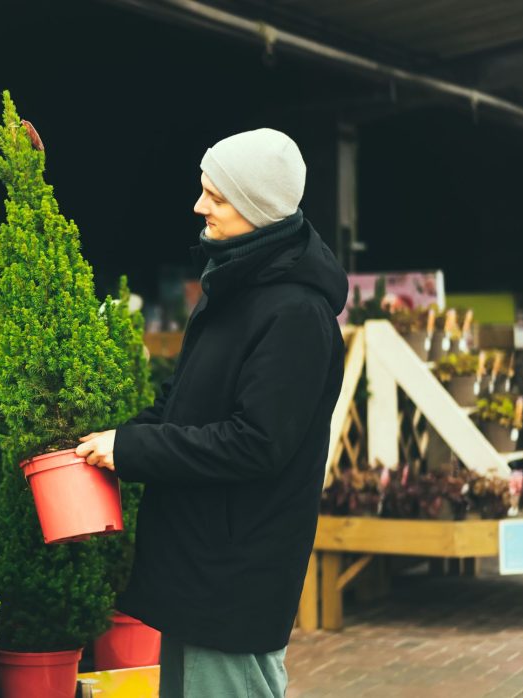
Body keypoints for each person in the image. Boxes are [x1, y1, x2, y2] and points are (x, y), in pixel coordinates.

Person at [76, 127, 348, 697]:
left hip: (234, 573)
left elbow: (257, 442)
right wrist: (114, 440)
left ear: (259, 208)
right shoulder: (236, 287)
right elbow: (183, 405)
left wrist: (131, 451)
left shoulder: (294, 311)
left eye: (218, 197)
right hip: (200, 564)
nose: (200, 206)